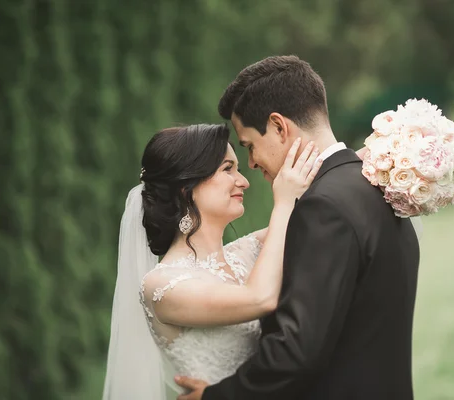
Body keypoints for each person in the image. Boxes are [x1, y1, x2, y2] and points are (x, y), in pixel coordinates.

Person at [175, 55, 421, 400]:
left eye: (249, 145)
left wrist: (216, 396)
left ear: (278, 127)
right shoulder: (375, 185)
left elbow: (298, 351)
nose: (251, 163)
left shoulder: (322, 208)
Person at [102, 123, 323, 400]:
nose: (244, 181)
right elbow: (259, 299)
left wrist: (387, 151)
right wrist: (283, 202)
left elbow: (321, 207)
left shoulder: (246, 252)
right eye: (228, 169)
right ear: (186, 187)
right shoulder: (163, 286)